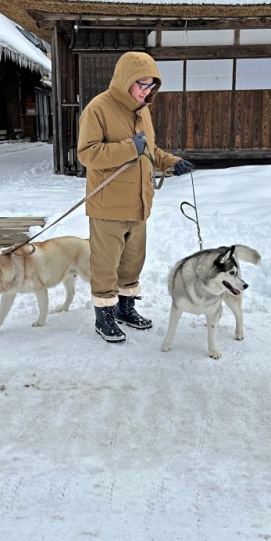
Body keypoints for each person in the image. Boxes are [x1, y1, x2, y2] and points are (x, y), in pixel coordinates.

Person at [77, 51, 194, 343]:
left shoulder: (143, 111)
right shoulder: (98, 109)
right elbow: (88, 155)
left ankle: (125, 308)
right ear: (125, 79)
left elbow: (148, 151)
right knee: (106, 265)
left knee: (132, 263)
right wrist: (130, 146)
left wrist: (170, 162)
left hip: (139, 205)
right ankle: (104, 315)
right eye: (142, 84)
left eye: (151, 85)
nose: (146, 91)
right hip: (108, 206)